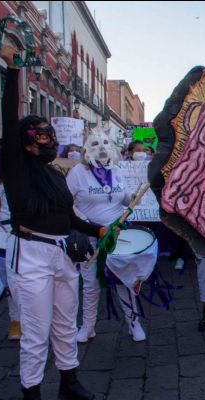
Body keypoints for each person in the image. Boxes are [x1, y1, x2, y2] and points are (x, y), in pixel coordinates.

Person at [0, 46, 110, 400]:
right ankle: (31, 396)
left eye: (51, 135)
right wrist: (12, 70)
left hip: (64, 255)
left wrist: (97, 230)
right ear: (27, 141)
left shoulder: (54, 173)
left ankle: (68, 380)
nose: (49, 141)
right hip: (31, 255)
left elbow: (68, 216)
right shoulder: (16, 167)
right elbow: (8, 124)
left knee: (65, 323)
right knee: (36, 330)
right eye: (42, 136)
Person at [67, 128, 147, 343]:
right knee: (91, 284)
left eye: (105, 143)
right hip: (90, 236)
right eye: (95, 144)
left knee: (124, 280)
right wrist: (86, 223)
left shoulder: (117, 170)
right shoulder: (77, 173)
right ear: (86, 149)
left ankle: (134, 323)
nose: (101, 148)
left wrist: (133, 197)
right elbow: (66, 203)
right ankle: (88, 326)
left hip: (117, 235)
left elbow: (124, 197)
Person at [0, 167, 21, 340]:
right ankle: (16, 320)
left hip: (29, 233)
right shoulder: (0, 183)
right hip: (5, 233)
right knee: (9, 280)